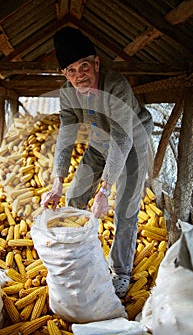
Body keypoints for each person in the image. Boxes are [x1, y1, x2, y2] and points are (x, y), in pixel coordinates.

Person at [41, 26, 153, 298]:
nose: (79, 76)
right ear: (64, 74)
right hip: (100, 139)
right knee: (73, 196)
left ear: (96, 63)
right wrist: (57, 183)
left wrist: (105, 190)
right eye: (71, 71)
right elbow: (66, 136)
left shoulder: (116, 86)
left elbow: (122, 138)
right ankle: (75, 257)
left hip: (133, 140)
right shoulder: (68, 93)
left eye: (84, 67)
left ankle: (121, 272)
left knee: (125, 208)